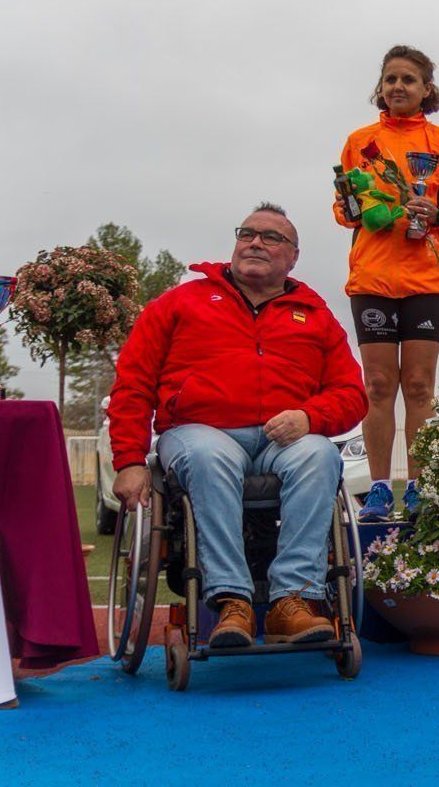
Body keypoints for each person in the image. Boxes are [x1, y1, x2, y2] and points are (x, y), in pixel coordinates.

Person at [109, 205, 368, 648]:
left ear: (293, 256)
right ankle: (233, 601)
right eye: (247, 233)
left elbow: (352, 394)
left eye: (271, 238)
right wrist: (130, 460)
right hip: (199, 431)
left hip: (281, 437)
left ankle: (294, 600)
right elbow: (132, 383)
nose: (255, 242)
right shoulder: (180, 301)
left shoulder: (315, 313)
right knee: (208, 456)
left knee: (320, 454)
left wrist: (310, 417)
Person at [335, 45, 439, 523]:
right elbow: (342, 208)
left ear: (426, 90)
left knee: (418, 386)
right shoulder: (359, 141)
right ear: (381, 86)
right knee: (377, 386)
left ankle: (417, 486)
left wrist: (435, 214)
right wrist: (353, 209)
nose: (398, 87)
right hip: (372, 277)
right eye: (390, 79)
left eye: (408, 80)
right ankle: (377, 488)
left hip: (428, 279)